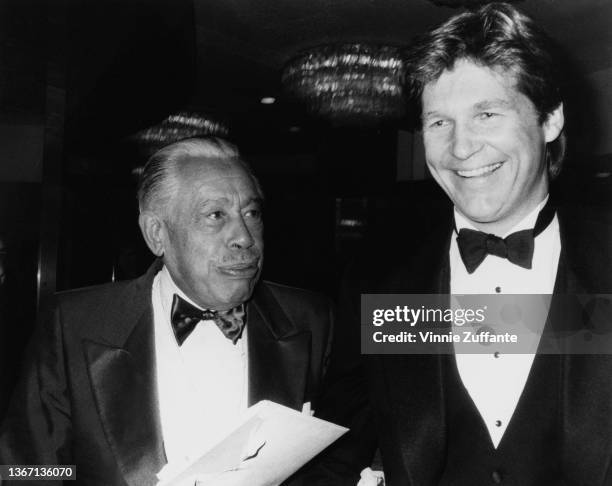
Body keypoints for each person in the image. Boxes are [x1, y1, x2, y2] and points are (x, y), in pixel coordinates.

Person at [310, 3, 612, 485]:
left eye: (487, 114)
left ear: (550, 119)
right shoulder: (381, 282)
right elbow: (341, 440)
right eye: (438, 123)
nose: (461, 148)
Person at [0, 137, 334, 485]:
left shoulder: (310, 319)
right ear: (157, 233)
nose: (245, 238)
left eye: (251, 213)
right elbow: (26, 470)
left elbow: (341, 456)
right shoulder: (74, 324)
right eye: (215, 215)